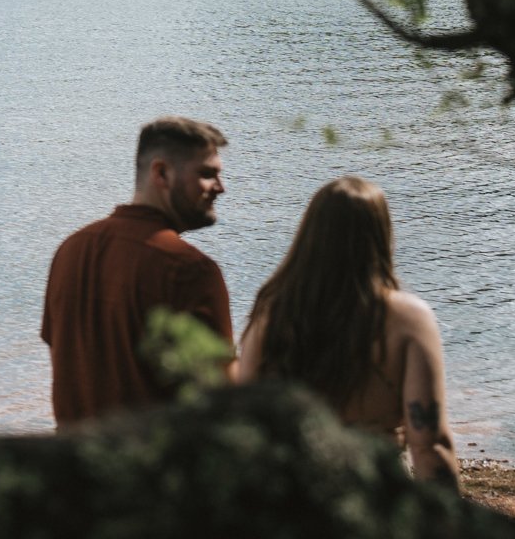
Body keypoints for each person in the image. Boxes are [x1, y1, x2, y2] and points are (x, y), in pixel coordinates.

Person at [237, 176, 460, 490]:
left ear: (309, 236)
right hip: (375, 491)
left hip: (292, 494)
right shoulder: (408, 318)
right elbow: (429, 444)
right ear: (382, 235)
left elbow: (243, 421)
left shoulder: (272, 315)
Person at [41, 116, 233, 428]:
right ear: (161, 173)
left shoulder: (70, 251)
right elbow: (220, 400)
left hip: (70, 466)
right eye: (207, 174)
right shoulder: (190, 270)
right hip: (152, 469)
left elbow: (65, 365)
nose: (220, 188)